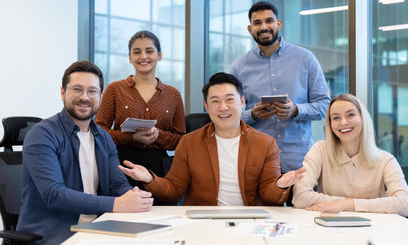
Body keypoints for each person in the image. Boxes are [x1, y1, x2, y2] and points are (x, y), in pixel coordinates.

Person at [17, 61, 153, 245]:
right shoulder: (42, 135)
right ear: (62, 92)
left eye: (92, 91)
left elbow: (117, 184)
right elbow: (54, 195)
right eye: (77, 89)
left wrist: (132, 196)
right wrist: (117, 204)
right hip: (53, 240)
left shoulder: (103, 137)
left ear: (100, 96)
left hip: (99, 232)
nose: (84, 97)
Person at [119, 72, 306, 206]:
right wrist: (149, 178)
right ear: (207, 107)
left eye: (230, 100)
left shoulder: (266, 144)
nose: (223, 107)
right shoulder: (189, 142)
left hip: (249, 222)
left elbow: (269, 197)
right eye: (215, 101)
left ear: (242, 102)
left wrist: (281, 185)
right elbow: (173, 191)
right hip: (203, 222)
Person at [230, 1, 330, 173]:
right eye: (257, 23)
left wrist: (296, 109)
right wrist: (252, 114)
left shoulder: (306, 59)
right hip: (258, 162)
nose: (264, 27)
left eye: (269, 21)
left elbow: (324, 105)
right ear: (249, 29)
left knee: (303, 201)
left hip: (301, 161)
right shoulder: (238, 68)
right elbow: (230, 117)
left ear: (279, 24)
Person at [95, 31, 186, 194]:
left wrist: (158, 135)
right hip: (121, 164)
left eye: (149, 51)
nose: (143, 56)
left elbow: (180, 139)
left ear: (159, 55)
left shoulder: (173, 94)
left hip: (159, 167)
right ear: (130, 57)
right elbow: (99, 132)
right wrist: (131, 137)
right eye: (137, 52)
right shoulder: (115, 89)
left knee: (160, 216)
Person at [292, 94, 408, 216]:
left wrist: (346, 205)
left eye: (351, 115)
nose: (343, 122)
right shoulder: (320, 150)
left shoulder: (386, 160)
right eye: (336, 118)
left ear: (363, 118)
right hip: (330, 227)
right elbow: (300, 197)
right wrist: (353, 203)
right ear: (330, 124)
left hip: (372, 230)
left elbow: (404, 204)